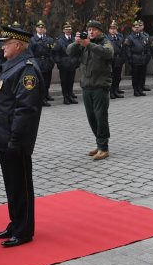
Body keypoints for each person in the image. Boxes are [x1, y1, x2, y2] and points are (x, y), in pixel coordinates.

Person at [0, 25, 45, 247]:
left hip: (15, 139)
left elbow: (25, 108)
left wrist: (16, 137)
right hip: (6, 137)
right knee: (12, 183)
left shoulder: (26, 69)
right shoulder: (15, 65)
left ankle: (23, 229)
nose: (2, 47)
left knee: (20, 185)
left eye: (6, 43)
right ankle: (15, 223)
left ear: (17, 45)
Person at [68, 20, 115, 160]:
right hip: (87, 86)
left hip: (100, 86)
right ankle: (99, 143)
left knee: (101, 118)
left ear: (100, 31)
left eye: (94, 29)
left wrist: (88, 44)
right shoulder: (84, 44)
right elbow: (69, 52)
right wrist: (78, 42)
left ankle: (103, 147)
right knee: (92, 118)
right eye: (89, 29)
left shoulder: (105, 43)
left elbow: (108, 53)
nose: (91, 32)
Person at [54, 22, 81, 104]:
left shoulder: (74, 39)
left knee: (71, 81)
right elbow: (56, 52)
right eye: (66, 29)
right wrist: (59, 62)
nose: (68, 31)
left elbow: (79, 51)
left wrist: (78, 62)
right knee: (64, 81)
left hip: (72, 63)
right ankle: (65, 97)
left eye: (69, 29)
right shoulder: (59, 40)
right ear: (63, 30)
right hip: (64, 63)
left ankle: (70, 95)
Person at [30, 21, 56, 106]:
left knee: (46, 81)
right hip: (38, 62)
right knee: (39, 82)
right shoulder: (32, 39)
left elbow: (51, 51)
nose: (40, 29)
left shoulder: (47, 39)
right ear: (36, 28)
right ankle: (40, 99)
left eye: (42, 27)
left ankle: (45, 96)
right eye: (39, 27)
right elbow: (30, 53)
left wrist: (51, 61)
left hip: (47, 62)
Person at [125, 20, 151, 97]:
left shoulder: (143, 37)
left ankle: (140, 89)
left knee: (141, 75)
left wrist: (148, 56)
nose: (136, 28)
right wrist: (130, 58)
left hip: (143, 58)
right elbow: (128, 49)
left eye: (137, 27)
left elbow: (147, 47)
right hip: (135, 58)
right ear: (132, 28)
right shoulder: (129, 38)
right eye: (135, 27)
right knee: (135, 75)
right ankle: (135, 90)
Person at [106, 21, 127, 99]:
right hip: (111, 60)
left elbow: (124, 49)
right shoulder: (106, 38)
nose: (113, 30)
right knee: (111, 77)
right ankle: (111, 92)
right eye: (111, 29)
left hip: (119, 59)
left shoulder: (120, 37)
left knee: (117, 77)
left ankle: (116, 90)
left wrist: (123, 58)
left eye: (114, 29)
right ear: (109, 30)